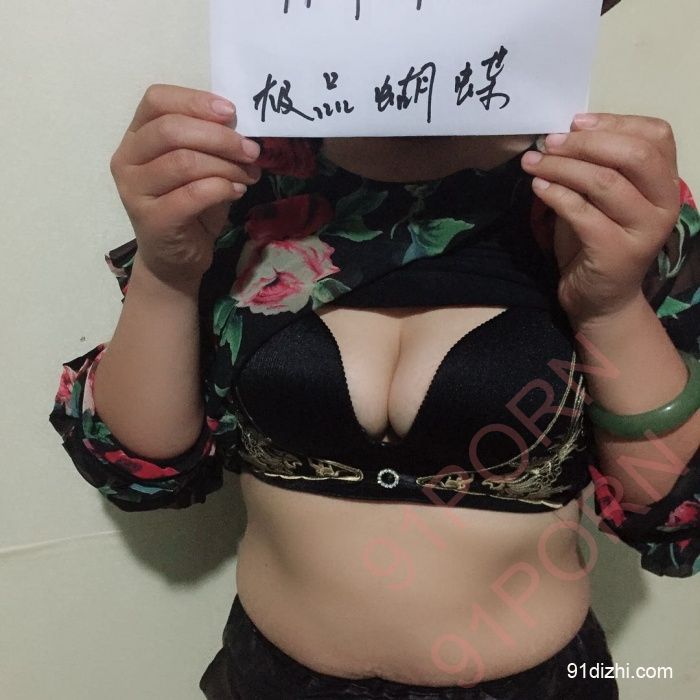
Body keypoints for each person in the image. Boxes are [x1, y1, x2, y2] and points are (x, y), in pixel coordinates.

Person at [49, 2, 699, 698]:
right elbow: (139, 474)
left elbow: (675, 522)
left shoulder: (607, 200)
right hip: (268, 680)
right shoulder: (234, 182)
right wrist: (166, 270)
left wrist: (610, 307)